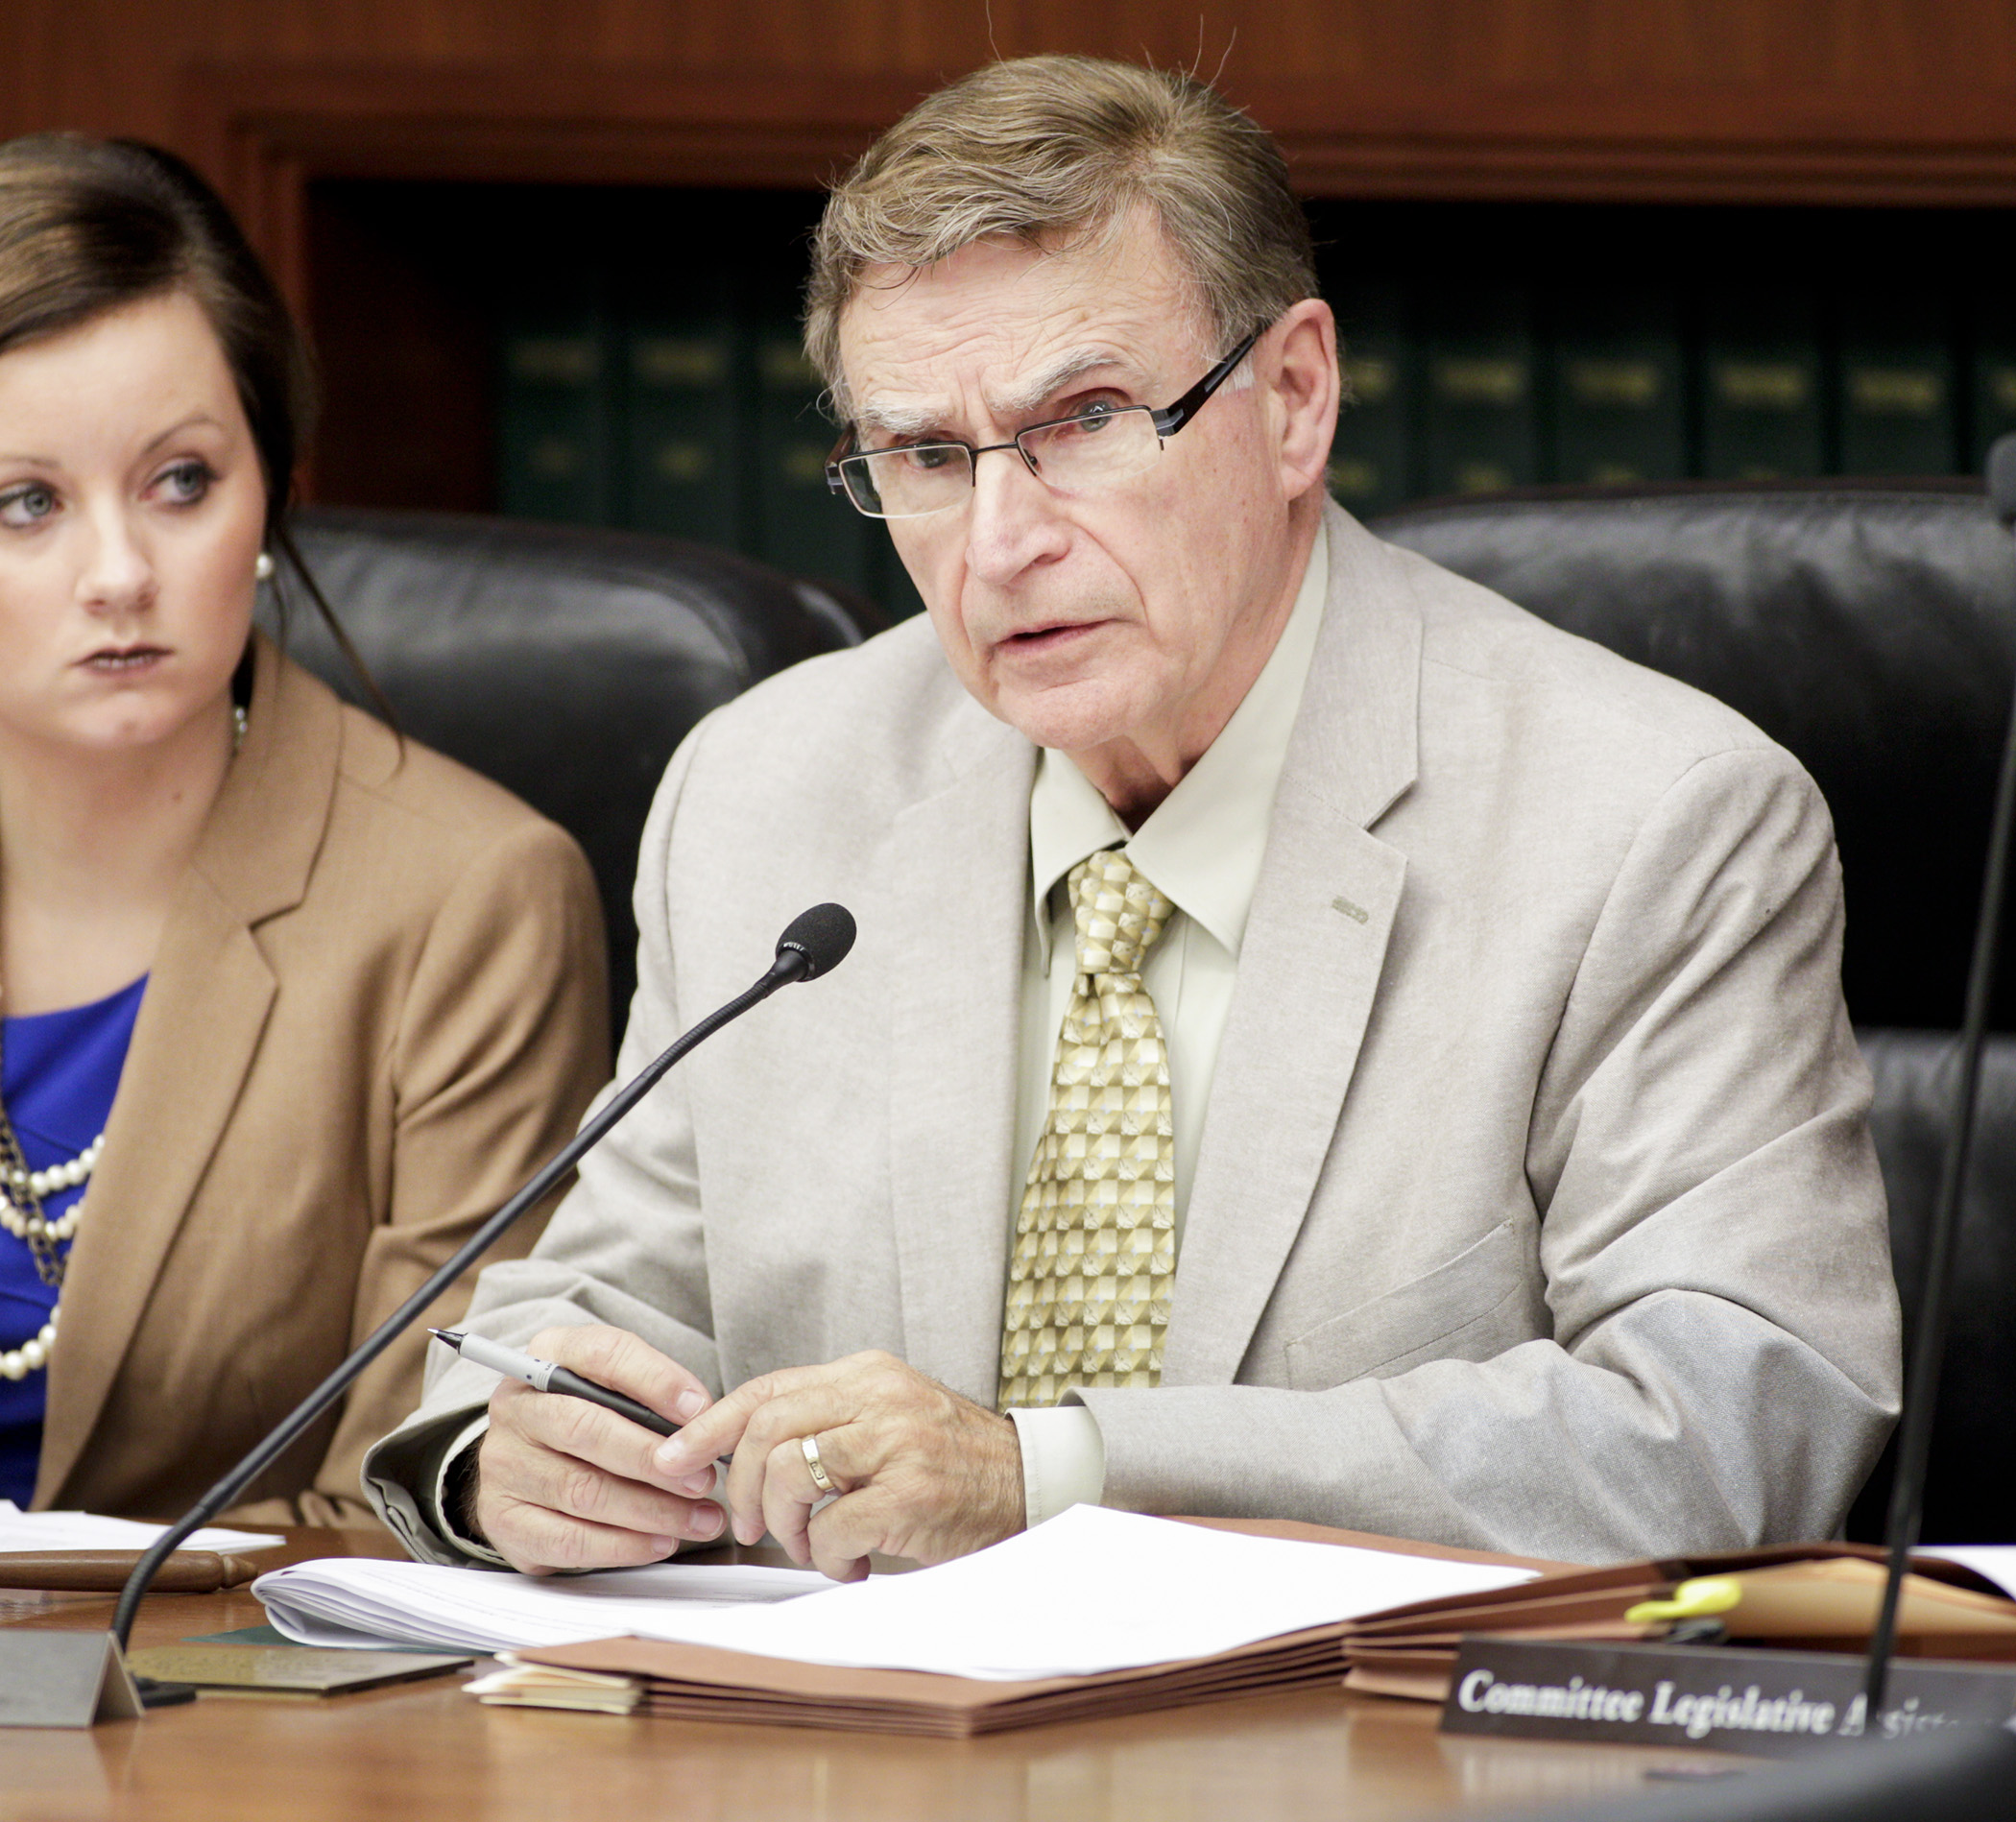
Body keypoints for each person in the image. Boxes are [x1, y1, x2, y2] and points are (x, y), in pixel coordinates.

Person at [366, 56, 1900, 1577]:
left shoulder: (1650, 819)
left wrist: (1058, 1474)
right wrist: (499, 1459)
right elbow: (587, 1320)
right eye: (924, 456)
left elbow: (1734, 1425)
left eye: (1086, 417)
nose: (1001, 543)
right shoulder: (765, 794)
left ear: (1295, 398)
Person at [0, 134, 610, 1525]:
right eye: (26, 502)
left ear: (270, 491)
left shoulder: (471, 903)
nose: (117, 574)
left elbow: (407, 1509)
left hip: (210, 1713)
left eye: (179, 483)